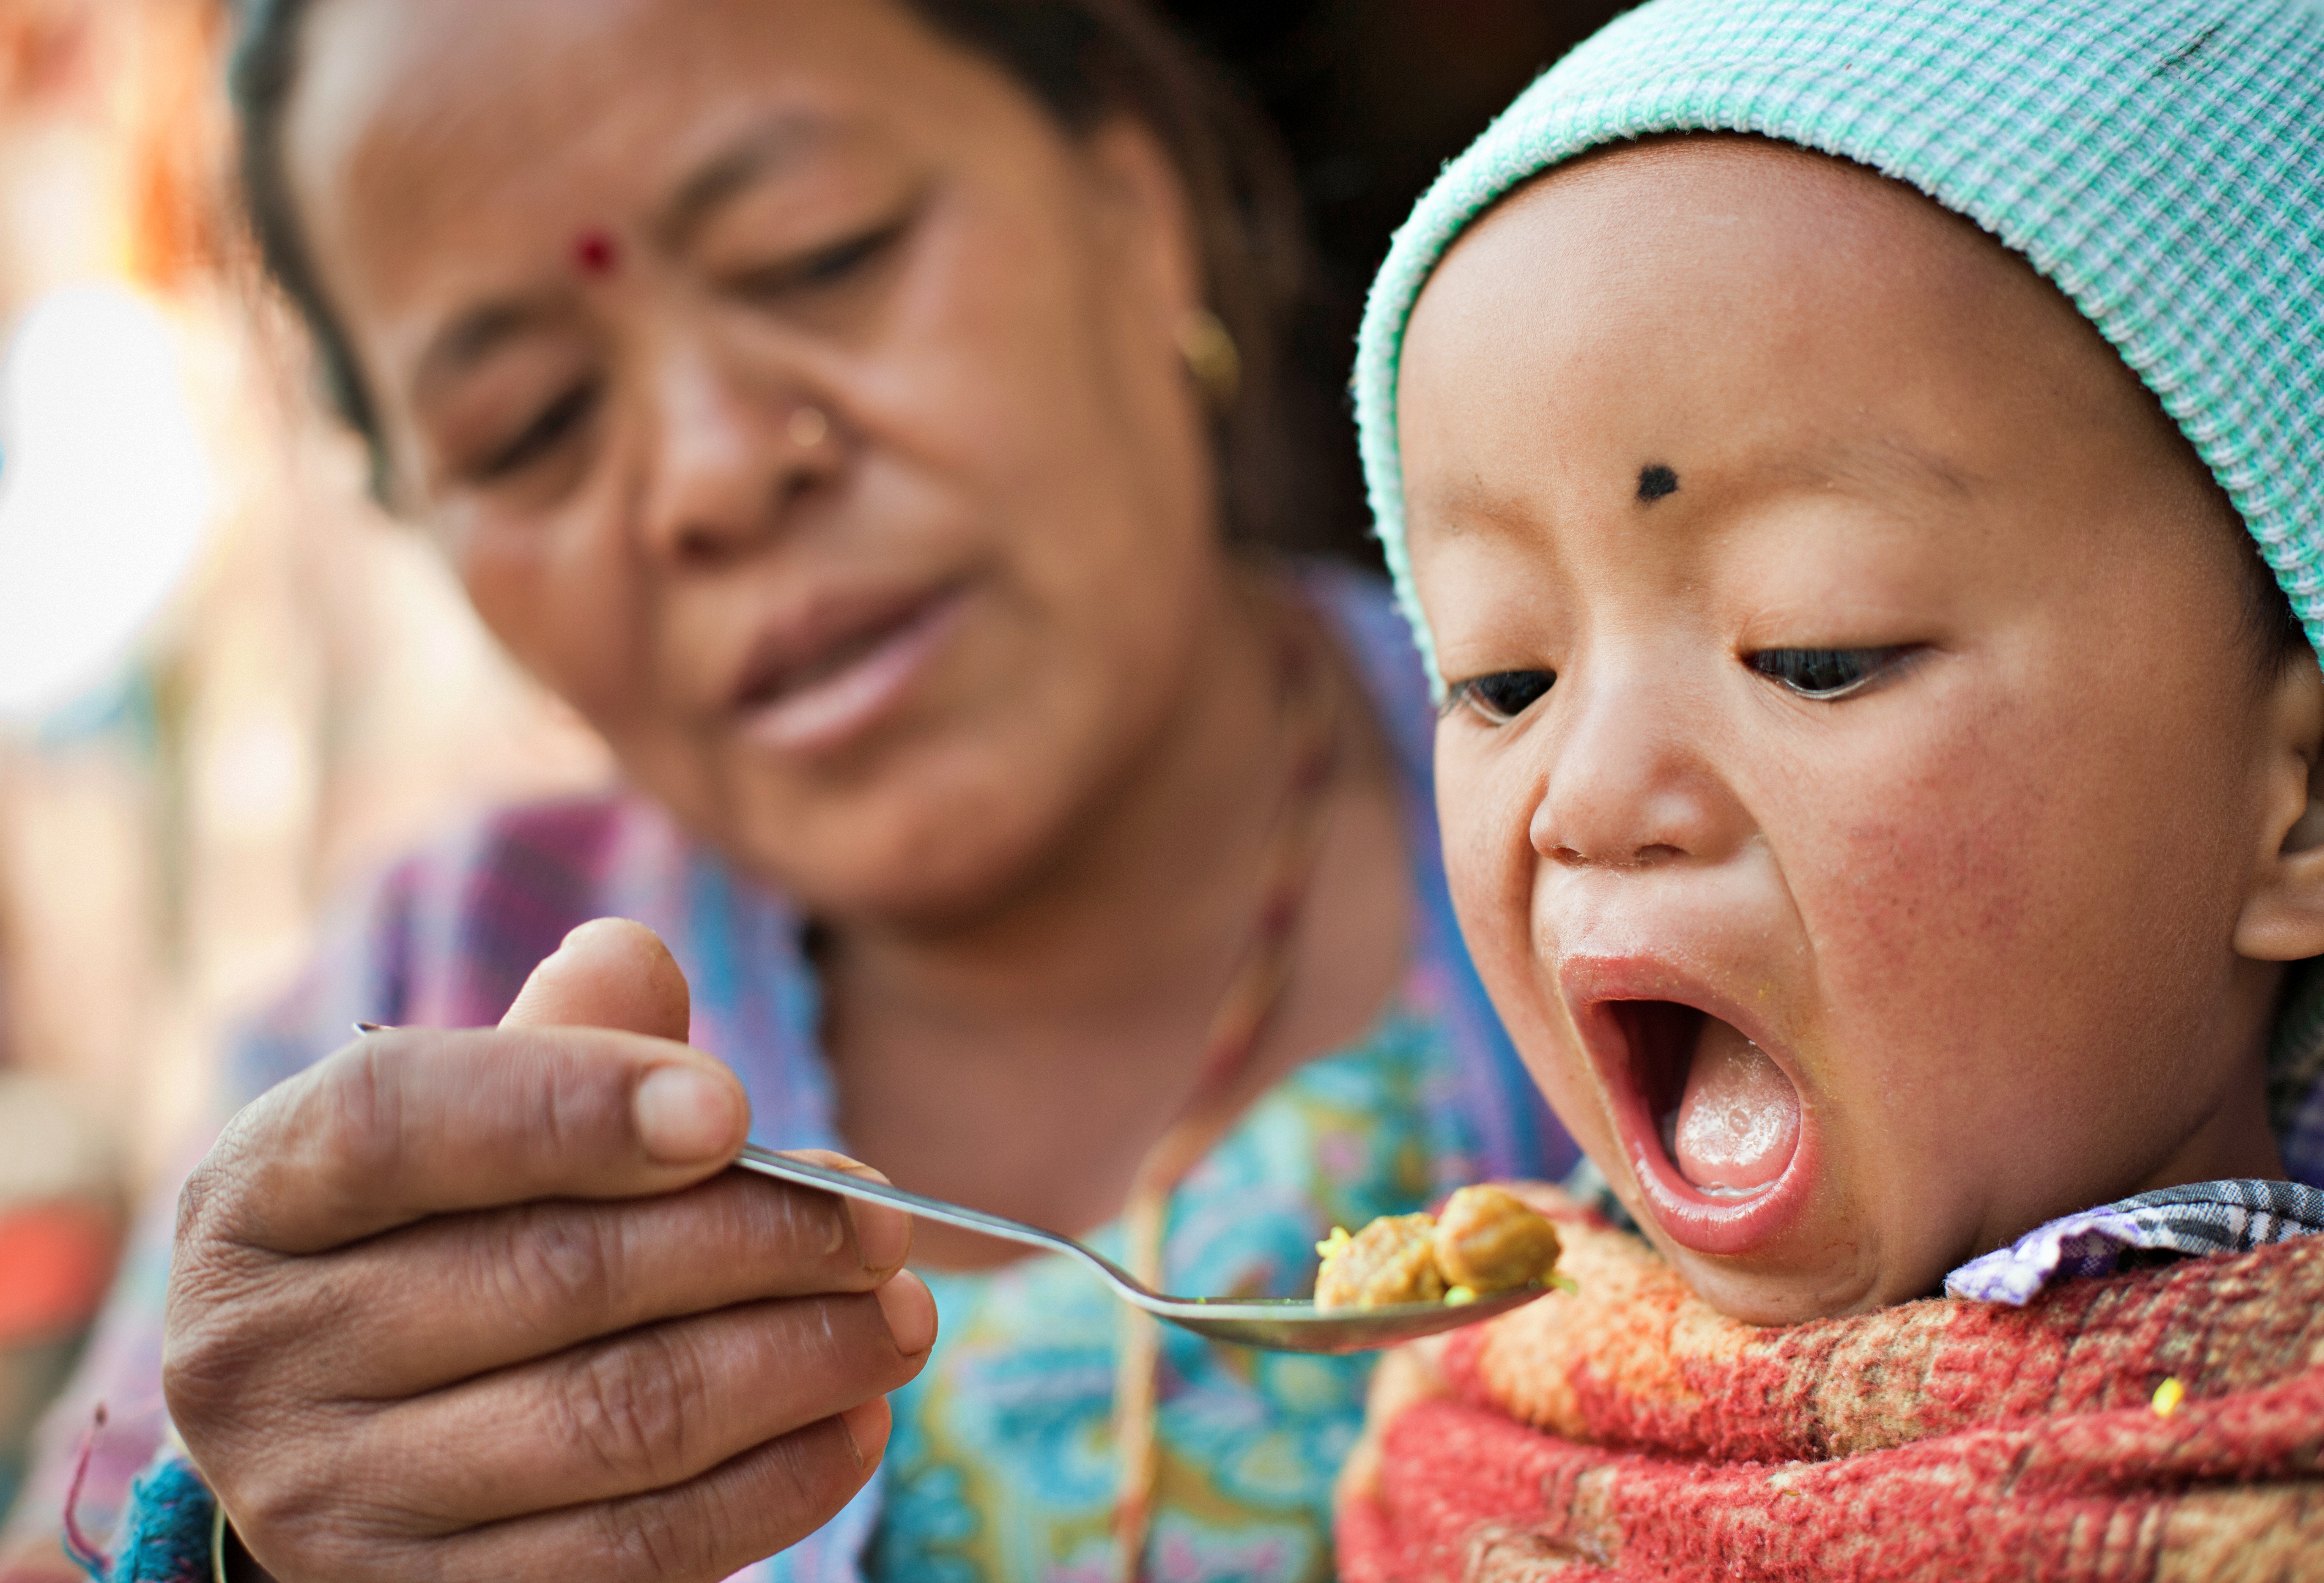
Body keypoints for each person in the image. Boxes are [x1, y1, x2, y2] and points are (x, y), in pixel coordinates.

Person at [0, 1, 1576, 1580]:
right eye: (532, 427)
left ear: (1136, 206)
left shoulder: (1644, 806)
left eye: (820, 254)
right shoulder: (413, 1029)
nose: (712, 470)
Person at [1327, 0, 2324, 1574]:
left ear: (2310, 800)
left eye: (1818, 652)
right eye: (1501, 682)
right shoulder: (1474, 1423)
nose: (1593, 795)